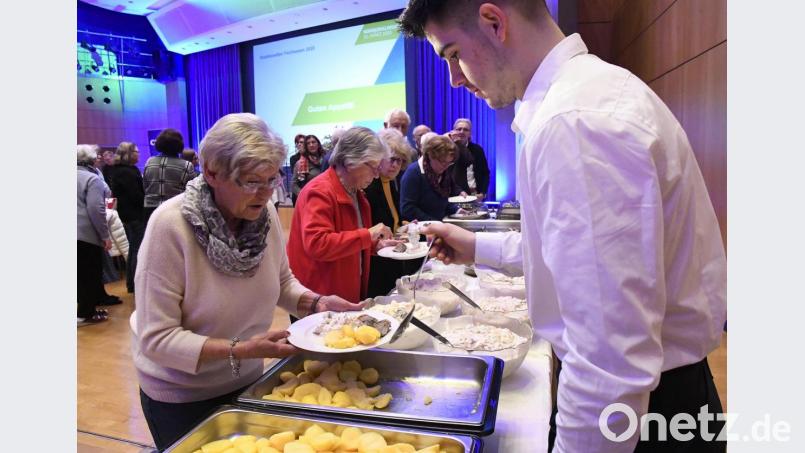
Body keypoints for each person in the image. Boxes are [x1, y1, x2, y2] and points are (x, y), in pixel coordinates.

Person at [399, 1, 727, 452]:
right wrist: (477, 247)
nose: (455, 78)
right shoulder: (591, 93)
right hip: (661, 398)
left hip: (646, 413)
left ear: (495, 22)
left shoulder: (574, 121)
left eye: (453, 54)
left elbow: (608, 363)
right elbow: (567, 256)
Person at [131, 113, 363, 451]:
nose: (265, 193)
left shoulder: (263, 211)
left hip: (249, 380)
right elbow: (157, 339)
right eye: (253, 181)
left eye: (272, 180)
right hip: (182, 396)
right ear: (211, 172)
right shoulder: (170, 226)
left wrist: (317, 303)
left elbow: (281, 282)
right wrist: (241, 349)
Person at [287, 126, 398, 303]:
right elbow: (318, 244)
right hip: (319, 297)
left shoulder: (355, 192)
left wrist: (376, 245)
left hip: (342, 292)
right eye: (373, 167)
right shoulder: (319, 192)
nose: (377, 175)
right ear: (350, 161)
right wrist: (368, 234)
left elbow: (349, 239)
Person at [364, 128, 414, 297]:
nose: (396, 165)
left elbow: (393, 217)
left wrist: (403, 226)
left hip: (390, 254)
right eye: (392, 160)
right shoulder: (368, 185)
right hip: (375, 259)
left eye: (400, 161)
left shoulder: (391, 182)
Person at [77, 144, 111, 325]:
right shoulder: (92, 178)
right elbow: (96, 209)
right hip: (84, 234)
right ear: (91, 159)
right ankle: (86, 314)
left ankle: (84, 309)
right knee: (89, 273)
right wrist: (105, 235)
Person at [400, 134, 463, 221]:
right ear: (430, 155)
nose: (446, 166)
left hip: (437, 226)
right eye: (442, 162)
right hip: (419, 229)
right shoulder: (413, 173)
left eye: (449, 163)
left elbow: (441, 201)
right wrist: (433, 222)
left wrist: (457, 210)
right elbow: (407, 209)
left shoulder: (443, 171)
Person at [110, 141, 146, 294]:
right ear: (128, 154)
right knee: (137, 249)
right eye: (136, 151)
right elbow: (136, 196)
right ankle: (136, 284)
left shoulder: (117, 170)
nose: (138, 154)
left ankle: (131, 283)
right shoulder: (129, 172)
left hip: (126, 214)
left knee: (133, 248)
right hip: (135, 215)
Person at [142, 128, 196, 224]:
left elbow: (145, 186)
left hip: (150, 211)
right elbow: (193, 193)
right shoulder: (186, 165)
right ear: (179, 145)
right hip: (174, 211)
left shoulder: (149, 162)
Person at [449, 118, 490, 200]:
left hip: (475, 195)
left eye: (465, 130)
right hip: (454, 195)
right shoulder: (448, 149)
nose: (461, 132)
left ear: (470, 133)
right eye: (459, 129)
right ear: (453, 131)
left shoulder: (477, 149)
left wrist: (482, 192)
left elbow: (485, 173)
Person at [291, 134, 325, 204]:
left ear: (318, 144)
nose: (311, 145)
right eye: (308, 143)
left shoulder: (326, 159)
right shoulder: (300, 163)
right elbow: (294, 184)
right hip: (310, 200)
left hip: (326, 197)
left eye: (313, 142)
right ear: (306, 147)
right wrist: (303, 195)